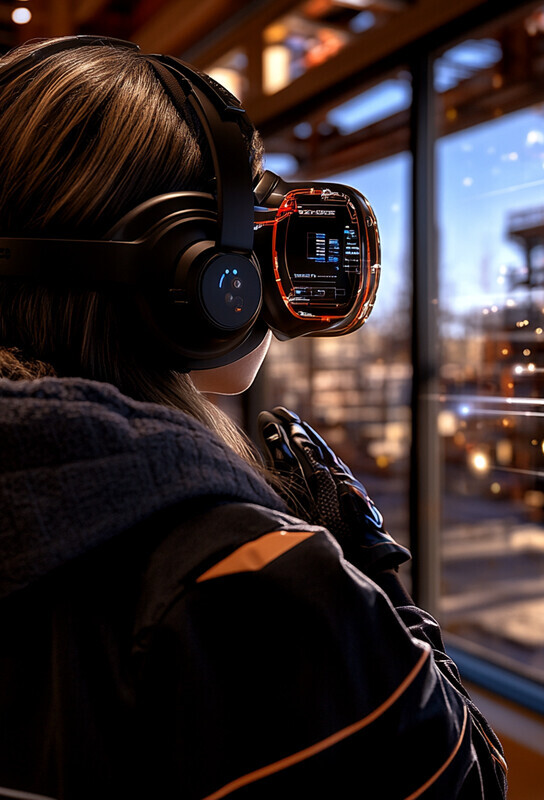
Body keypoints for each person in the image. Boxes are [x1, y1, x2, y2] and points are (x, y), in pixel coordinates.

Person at [0, 36, 508, 799]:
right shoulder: (241, 578)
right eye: (245, 226)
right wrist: (357, 558)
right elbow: (464, 782)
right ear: (200, 271)